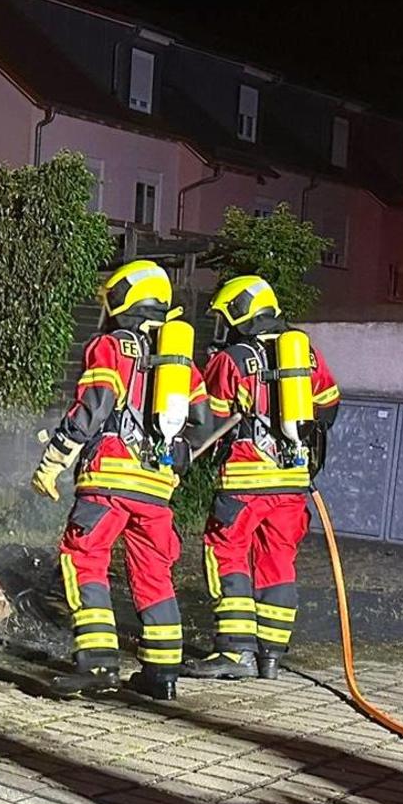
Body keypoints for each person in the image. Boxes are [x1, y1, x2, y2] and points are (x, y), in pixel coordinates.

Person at [31, 259, 205, 700]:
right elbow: (205, 420)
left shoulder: (111, 346)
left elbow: (94, 406)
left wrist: (52, 462)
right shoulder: (180, 361)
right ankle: (162, 675)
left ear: (122, 299)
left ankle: (98, 664)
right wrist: (174, 457)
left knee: (83, 558)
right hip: (158, 487)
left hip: (109, 479)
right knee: (154, 574)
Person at [183, 274, 341, 680]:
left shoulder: (232, 359)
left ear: (240, 312)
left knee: (227, 556)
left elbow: (208, 420)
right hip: (291, 481)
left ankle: (235, 654)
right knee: (278, 563)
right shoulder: (304, 352)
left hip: (244, 481)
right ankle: (271, 655)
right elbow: (329, 406)